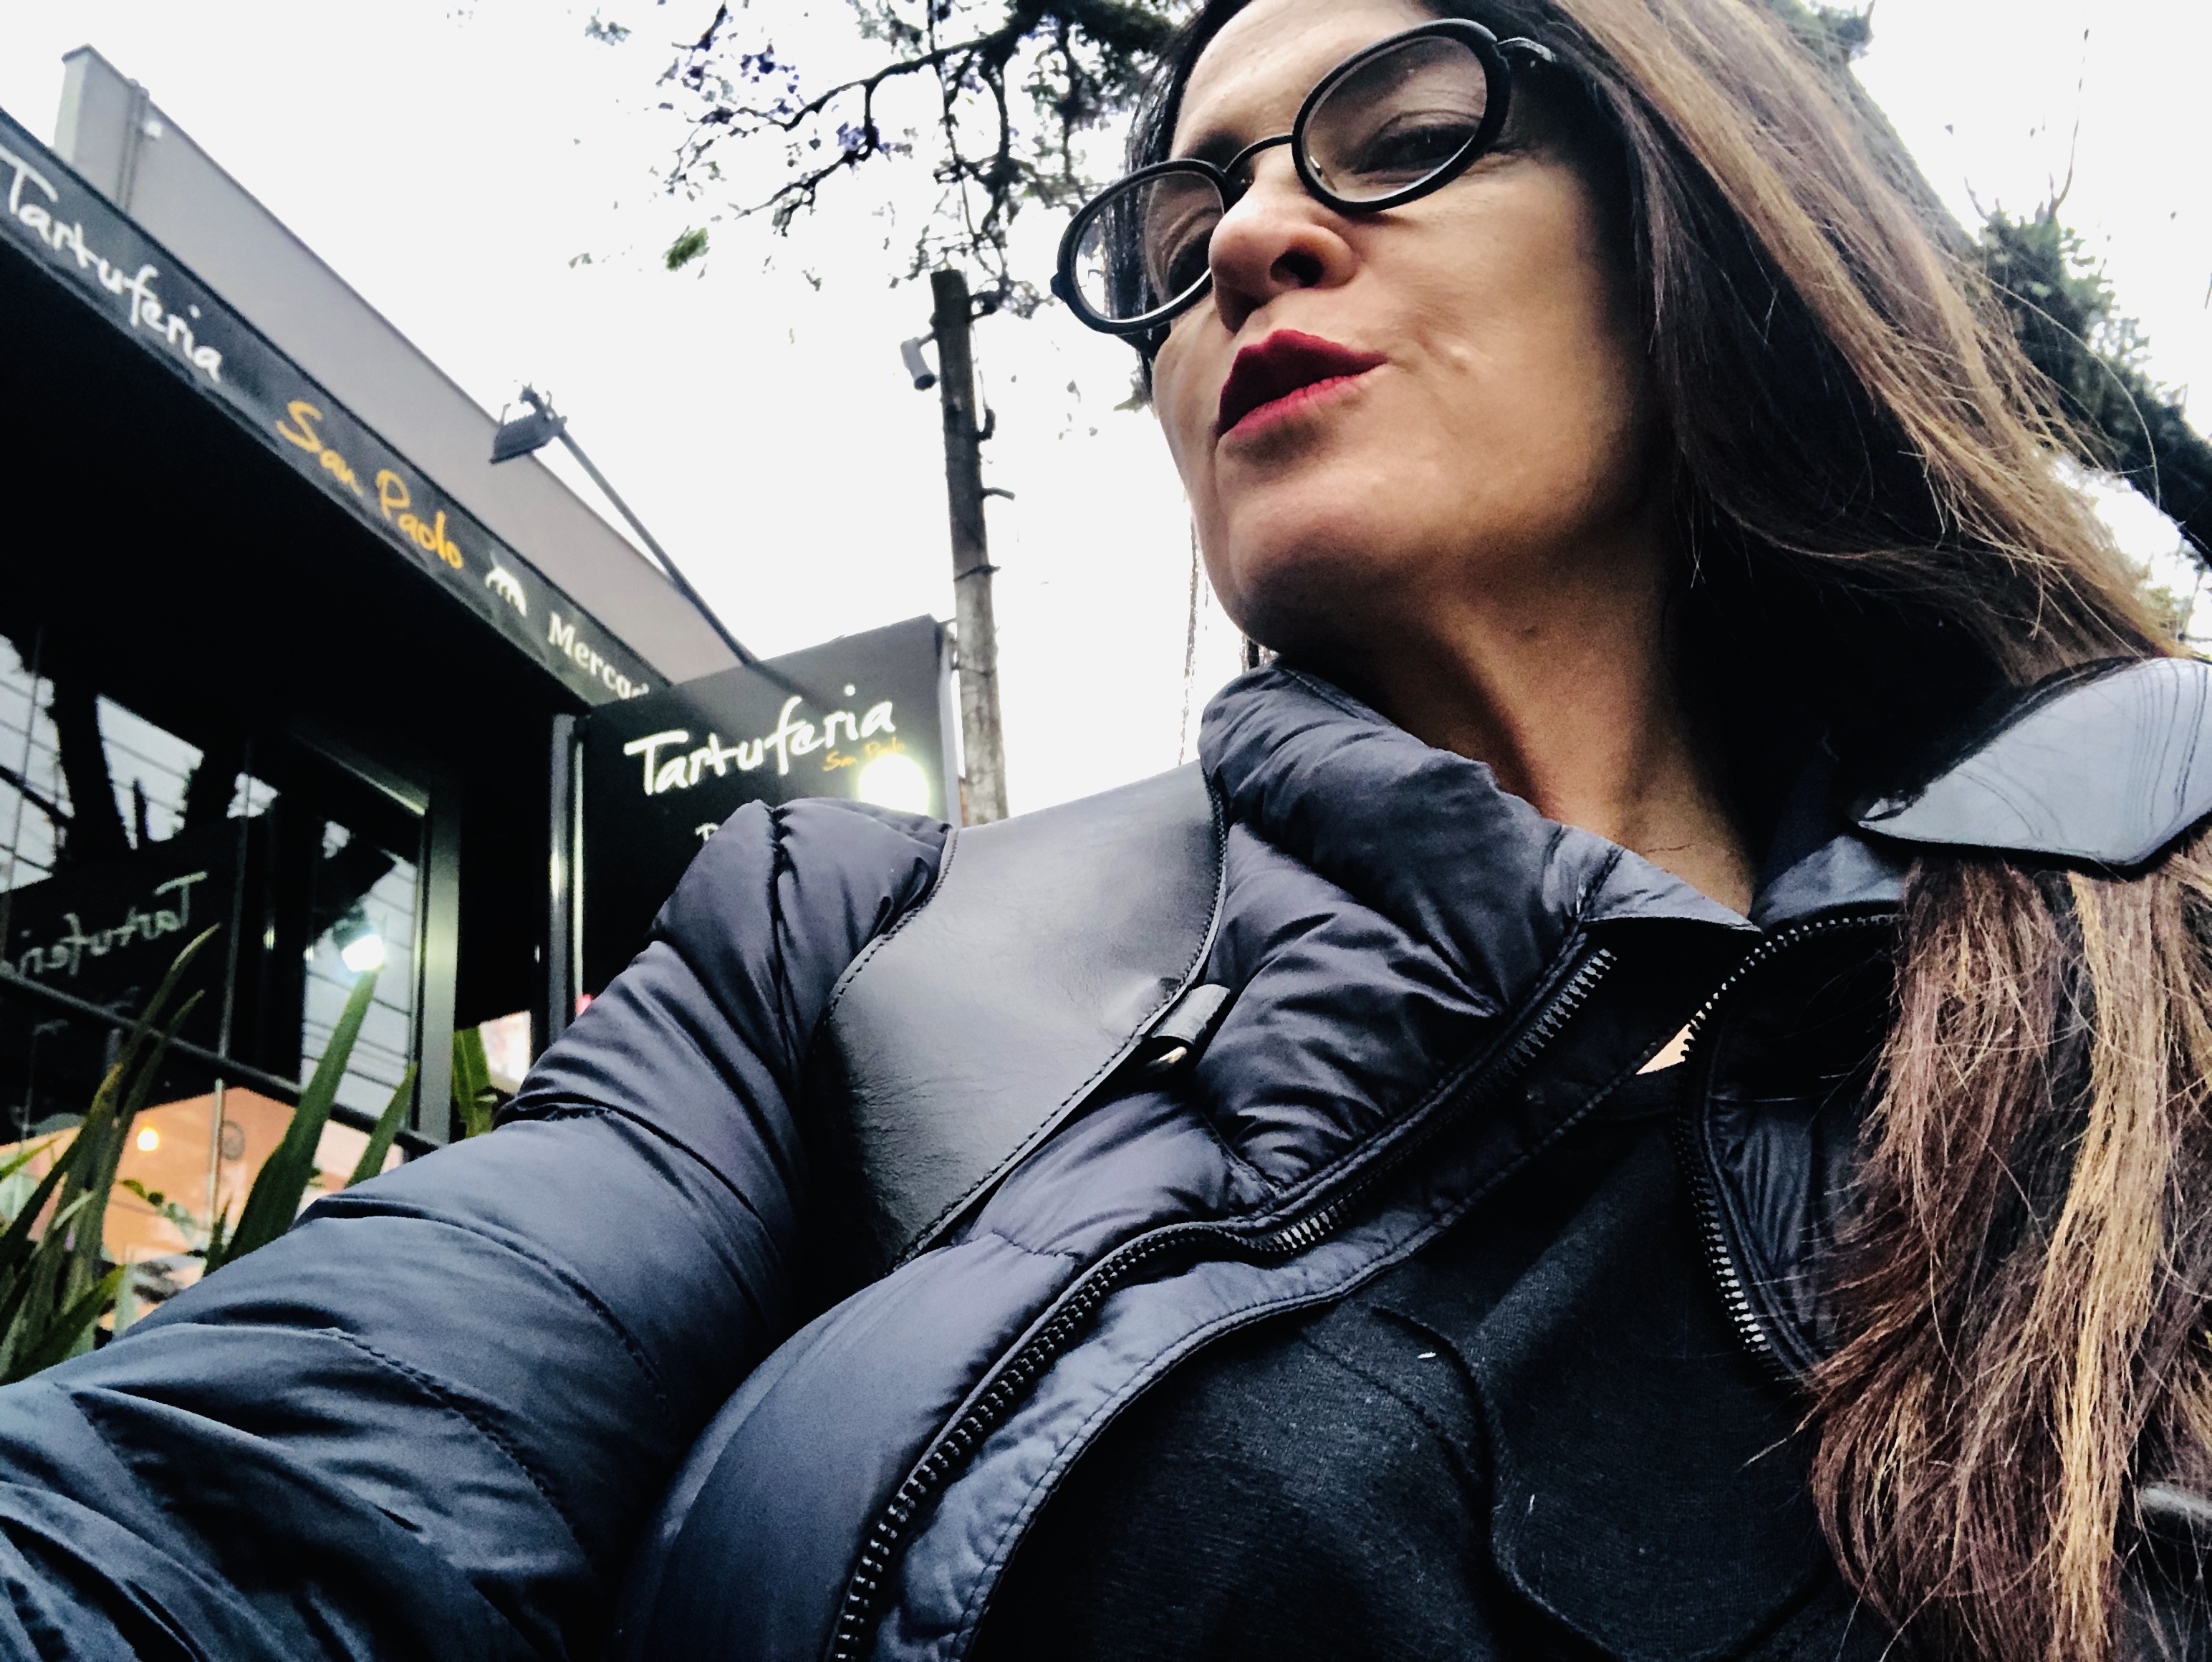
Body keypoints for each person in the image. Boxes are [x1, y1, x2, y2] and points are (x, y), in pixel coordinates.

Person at [0, 0, 2207, 1657]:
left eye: (1402, 135)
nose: (1246, 236)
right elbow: (260, 1495)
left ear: (1699, 210)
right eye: (1177, 226)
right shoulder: (849, 957)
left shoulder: (2147, 947)